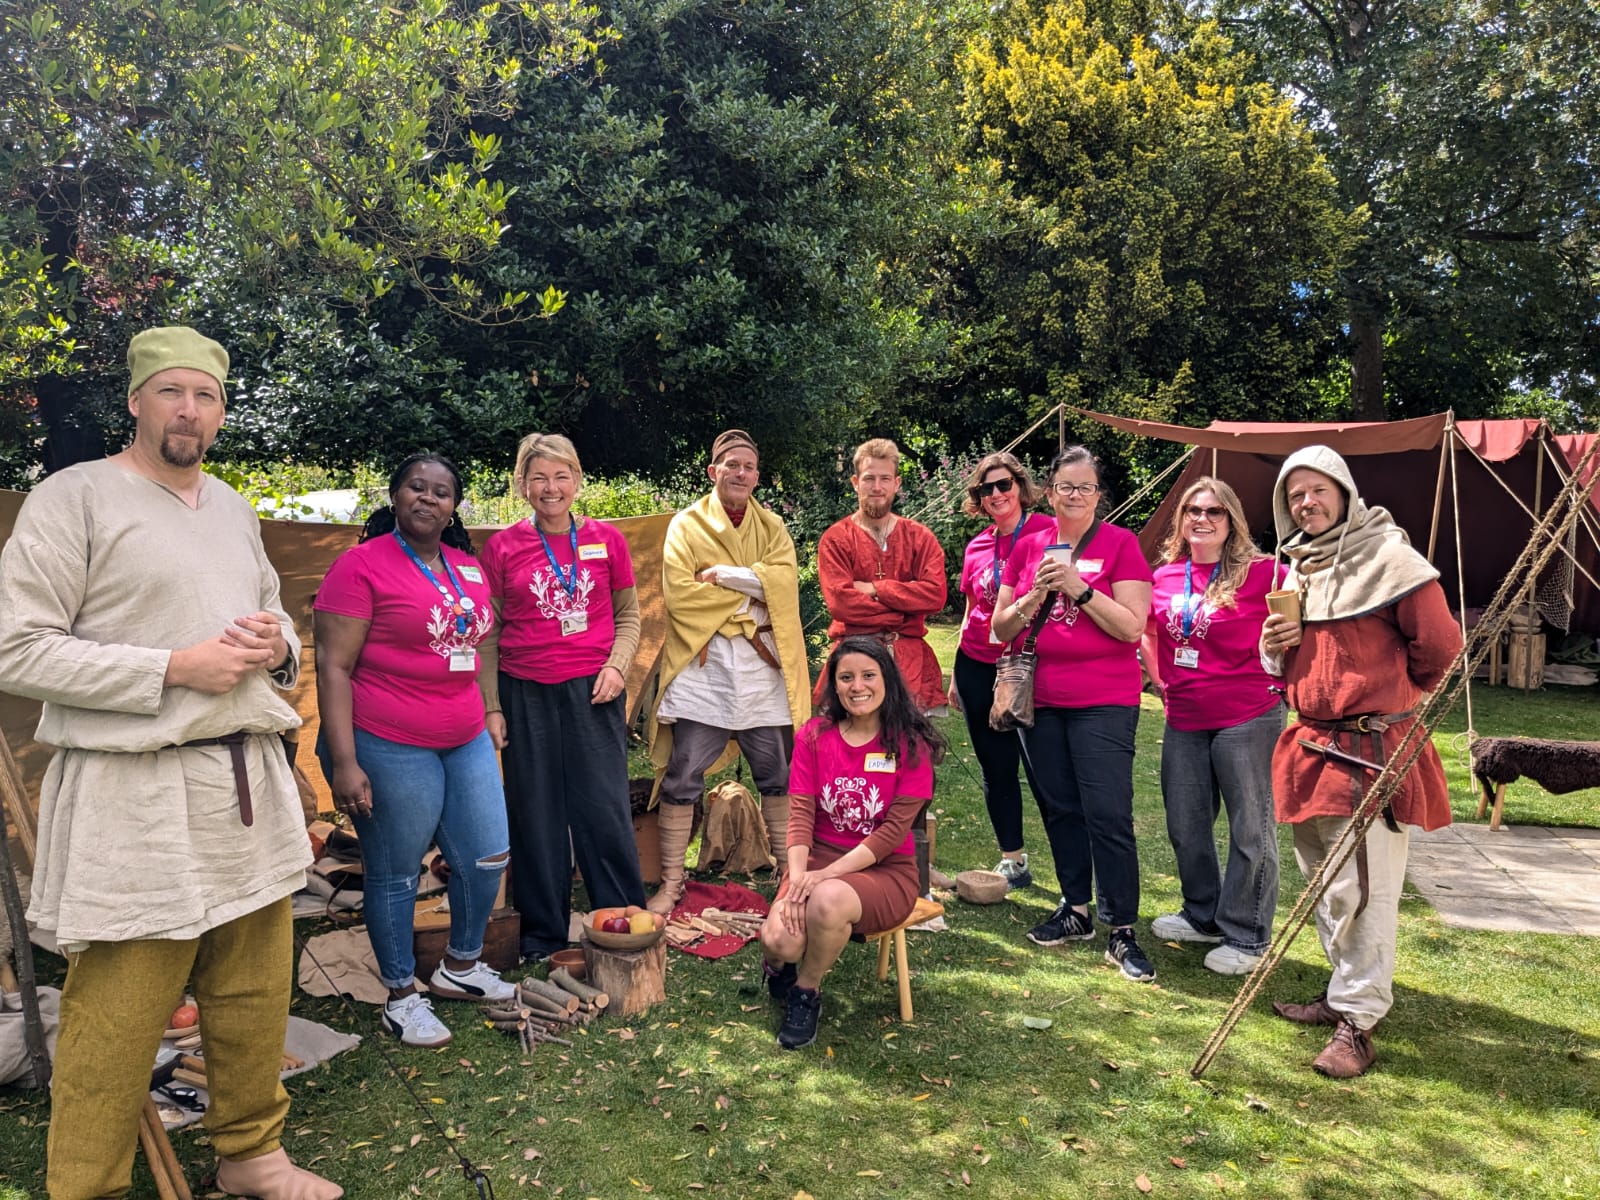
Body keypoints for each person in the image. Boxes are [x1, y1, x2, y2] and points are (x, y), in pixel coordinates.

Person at [0, 327, 340, 1199]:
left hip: (245, 789)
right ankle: (87, 1188)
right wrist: (170, 670)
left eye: (207, 396)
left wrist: (277, 650)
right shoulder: (72, 499)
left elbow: (274, 624)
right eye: (171, 392)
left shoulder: (229, 506)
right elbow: (16, 649)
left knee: (253, 989)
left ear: (223, 411)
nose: (189, 410)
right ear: (136, 401)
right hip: (135, 792)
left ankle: (251, 1154)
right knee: (115, 1014)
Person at [1259, 445, 1461, 1078]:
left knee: (1366, 892)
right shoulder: (1296, 570)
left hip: (1370, 750)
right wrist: (1274, 649)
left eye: (1318, 490)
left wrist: (1383, 701)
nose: (1306, 503)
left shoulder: (1392, 561)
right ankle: (1342, 991)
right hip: (1311, 745)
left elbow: (1440, 649)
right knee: (1325, 883)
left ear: (1344, 492)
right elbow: (1284, 667)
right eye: (1295, 495)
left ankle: (1358, 1022)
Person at [314, 453, 515, 1049]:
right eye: (416, 488)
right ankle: (401, 995)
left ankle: (460, 965)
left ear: (455, 506)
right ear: (396, 496)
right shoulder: (359, 566)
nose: (428, 499)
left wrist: (491, 709)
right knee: (397, 872)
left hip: (465, 736)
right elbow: (332, 666)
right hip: (388, 741)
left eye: (442, 492)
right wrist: (346, 762)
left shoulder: (467, 568)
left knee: (488, 856)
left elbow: (477, 647)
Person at [478, 433, 646, 963]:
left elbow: (629, 618)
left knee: (603, 808)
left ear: (576, 480)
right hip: (525, 692)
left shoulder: (606, 540)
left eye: (561, 476)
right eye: (539, 478)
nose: (551, 488)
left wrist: (618, 668)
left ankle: (620, 921)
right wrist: (492, 706)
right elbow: (487, 634)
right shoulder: (502, 547)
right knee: (536, 811)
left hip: (594, 692)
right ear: (522, 485)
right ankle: (542, 933)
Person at [991, 445, 1157, 982]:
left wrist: (1080, 589)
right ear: (1050, 491)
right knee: (1060, 807)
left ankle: (1122, 929)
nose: (1076, 496)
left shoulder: (1121, 545)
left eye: (1086, 488)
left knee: (1107, 813)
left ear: (1098, 495)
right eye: (1066, 487)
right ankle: (1075, 910)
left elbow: (1132, 627)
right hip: (1043, 701)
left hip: (1104, 701)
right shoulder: (1029, 545)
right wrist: (1033, 595)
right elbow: (1002, 628)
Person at [648, 430, 812, 913]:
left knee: (779, 775)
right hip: (708, 671)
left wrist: (722, 577)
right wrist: (754, 593)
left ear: (757, 476)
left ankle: (789, 876)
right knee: (683, 775)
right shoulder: (685, 525)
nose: (741, 473)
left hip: (762, 673)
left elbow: (786, 586)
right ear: (713, 471)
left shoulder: (773, 525)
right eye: (732, 465)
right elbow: (681, 595)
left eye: (749, 467)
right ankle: (672, 881)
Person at [759, 637, 947, 1049]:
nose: (857, 686)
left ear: (887, 681)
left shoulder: (910, 745)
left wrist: (819, 878)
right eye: (846, 677)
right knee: (779, 941)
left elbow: (891, 836)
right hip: (820, 859)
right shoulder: (814, 736)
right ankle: (777, 967)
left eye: (868, 675)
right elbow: (801, 817)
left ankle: (805, 992)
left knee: (827, 899)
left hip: (884, 871)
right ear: (835, 685)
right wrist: (797, 876)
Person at [1141, 477, 1283, 975]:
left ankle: (1247, 934)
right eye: (1193, 510)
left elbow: (1303, 617)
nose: (1201, 519)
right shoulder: (1164, 576)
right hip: (1184, 716)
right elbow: (1148, 629)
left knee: (1251, 829)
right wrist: (1158, 677)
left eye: (1214, 512)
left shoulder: (1266, 573)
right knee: (1186, 824)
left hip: (1248, 715)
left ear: (1232, 523)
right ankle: (1202, 914)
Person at [948, 451, 1054, 890]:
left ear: (1021, 487)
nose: (996, 494)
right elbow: (972, 607)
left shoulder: (1049, 534)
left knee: (1044, 768)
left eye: (1003, 485)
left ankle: (1070, 867)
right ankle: (1013, 859)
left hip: (1029, 667)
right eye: (985, 488)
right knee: (996, 766)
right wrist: (955, 671)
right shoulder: (977, 545)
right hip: (975, 664)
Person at [816, 438, 948, 712]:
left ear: (897, 483)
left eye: (885, 478)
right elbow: (842, 603)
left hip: (910, 661)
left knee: (911, 750)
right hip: (853, 659)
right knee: (848, 747)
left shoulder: (920, 537)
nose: (877, 487)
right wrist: (903, 611)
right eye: (869, 478)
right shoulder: (836, 539)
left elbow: (935, 596)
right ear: (855, 482)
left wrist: (878, 589)